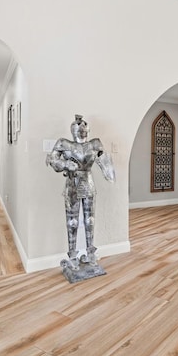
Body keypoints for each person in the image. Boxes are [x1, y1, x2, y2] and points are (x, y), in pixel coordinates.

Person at [46, 115, 115, 272]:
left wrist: (107, 169)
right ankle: (72, 256)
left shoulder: (95, 143)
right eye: (80, 126)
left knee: (90, 219)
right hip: (73, 184)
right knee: (73, 222)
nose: (82, 129)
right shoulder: (64, 143)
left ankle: (90, 254)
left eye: (84, 126)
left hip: (88, 183)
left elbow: (105, 163)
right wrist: (65, 164)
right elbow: (52, 160)